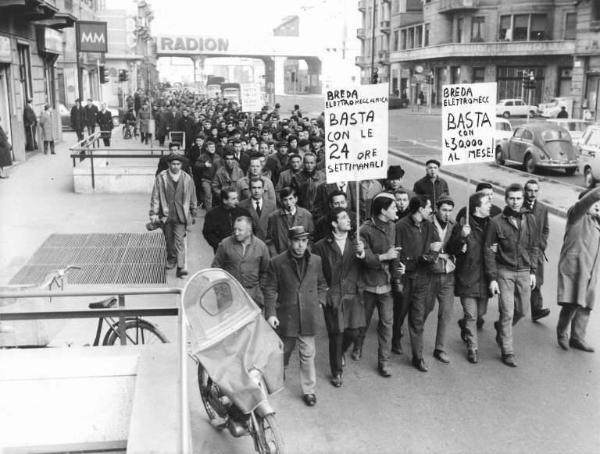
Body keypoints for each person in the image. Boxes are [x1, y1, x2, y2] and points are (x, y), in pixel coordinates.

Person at [263, 226, 327, 407]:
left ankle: (309, 390)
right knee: (283, 354)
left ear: (308, 242)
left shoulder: (316, 261)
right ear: (290, 242)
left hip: (307, 316)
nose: (300, 245)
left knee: (308, 355)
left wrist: (321, 300)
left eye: (304, 241)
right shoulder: (277, 262)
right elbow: (270, 289)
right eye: (297, 241)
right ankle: (277, 380)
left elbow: (322, 283)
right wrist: (271, 313)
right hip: (287, 317)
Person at [485, 183, 539, 367]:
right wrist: (492, 278)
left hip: (524, 271)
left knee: (522, 311)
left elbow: (534, 247)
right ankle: (507, 351)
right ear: (506, 199)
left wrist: (533, 271)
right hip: (504, 271)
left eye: (518, 198)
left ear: (523, 199)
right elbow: (489, 251)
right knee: (507, 311)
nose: (515, 202)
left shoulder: (530, 219)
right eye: (511, 198)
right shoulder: (496, 222)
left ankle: (500, 328)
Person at [313, 207, 366, 388]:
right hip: (333, 295)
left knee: (354, 331)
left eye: (348, 217)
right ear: (334, 223)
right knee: (336, 334)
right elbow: (315, 271)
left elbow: (370, 264)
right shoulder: (321, 246)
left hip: (352, 294)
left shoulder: (357, 243)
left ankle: (341, 352)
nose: (349, 220)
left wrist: (363, 254)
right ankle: (337, 372)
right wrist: (322, 292)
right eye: (343, 218)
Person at [355, 193, 401, 377]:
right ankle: (358, 345)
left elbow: (395, 252)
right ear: (383, 211)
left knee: (387, 323)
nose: (397, 209)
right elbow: (364, 258)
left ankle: (384, 361)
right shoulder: (364, 230)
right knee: (363, 322)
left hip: (387, 284)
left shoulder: (393, 226)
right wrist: (384, 257)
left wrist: (398, 270)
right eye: (393, 207)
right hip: (368, 285)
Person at [395, 195, 441, 372]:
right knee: (399, 313)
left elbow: (436, 245)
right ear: (420, 209)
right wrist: (397, 276)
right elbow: (396, 252)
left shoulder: (429, 226)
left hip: (422, 278)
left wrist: (431, 257)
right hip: (405, 277)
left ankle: (417, 356)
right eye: (429, 207)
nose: (431, 211)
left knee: (417, 318)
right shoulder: (400, 226)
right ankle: (395, 338)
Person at [447, 192, 492, 364]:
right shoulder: (463, 226)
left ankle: (464, 325)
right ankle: (473, 348)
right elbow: (452, 249)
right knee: (472, 315)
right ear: (477, 207)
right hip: (467, 276)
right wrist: (461, 237)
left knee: (480, 313)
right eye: (487, 202)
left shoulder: (491, 225)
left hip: (484, 278)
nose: (490, 204)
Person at [556, 188, 600, 352]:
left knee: (586, 304)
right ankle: (562, 332)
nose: (596, 206)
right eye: (594, 203)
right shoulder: (576, 214)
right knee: (571, 301)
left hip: (591, 268)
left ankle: (577, 338)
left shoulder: (597, 221)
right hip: (575, 266)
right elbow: (589, 199)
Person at [149, 153, 198, 278]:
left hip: (181, 215)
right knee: (169, 240)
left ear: (181, 165)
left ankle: (180, 267)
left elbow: (193, 197)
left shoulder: (187, 179)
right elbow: (155, 197)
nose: (176, 166)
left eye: (178, 164)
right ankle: (171, 259)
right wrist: (154, 213)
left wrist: (193, 212)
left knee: (179, 241)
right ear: (169, 164)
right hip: (166, 215)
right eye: (173, 164)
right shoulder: (162, 177)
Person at [212, 215, 270, 308]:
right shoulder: (225, 244)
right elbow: (215, 269)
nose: (236, 233)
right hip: (229, 296)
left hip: (253, 298)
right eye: (235, 229)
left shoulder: (261, 247)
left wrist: (260, 291)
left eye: (240, 230)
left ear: (249, 231)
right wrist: (221, 293)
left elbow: (266, 272)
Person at [427, 196, 457, 364]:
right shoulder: (427, 223)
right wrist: (437, 254)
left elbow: (458, 247)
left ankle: (440, 347)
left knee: (445, 313)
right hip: (430, 274)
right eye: (444, 210)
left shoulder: (454, 225)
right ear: (437, 209)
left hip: (448, 275)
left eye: (450, 211)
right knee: (425, 309)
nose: (447, 214)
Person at [523, 179, 551, 321]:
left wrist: (542, 244)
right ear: (525, 191)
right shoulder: (518, 205)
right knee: (520, 282)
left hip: (537, 251)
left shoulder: (543, 208)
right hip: (522, 251)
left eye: (535, 190)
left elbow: (545, 229)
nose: (532, 193)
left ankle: (536, 310)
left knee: (537, 281)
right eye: (530, 190)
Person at [266, 186, 314, 256]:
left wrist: (306, 253)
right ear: (281, 201)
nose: (288, 203)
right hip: (281, 258)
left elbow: (311, 239)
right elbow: (269, 241)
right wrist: (275, 257)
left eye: (291, 199)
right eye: (285, 200)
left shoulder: (306, 215)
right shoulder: (273, 217)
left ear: (296, 199)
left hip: (301, 256)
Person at [202, 187, 251, 253]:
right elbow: (208, 233)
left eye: (237, 198)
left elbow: (251, 229)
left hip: (241, 251)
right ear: (225, 200)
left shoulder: (243, 213)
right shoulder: (212, 215)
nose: (237, 201)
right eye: (233, 199)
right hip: (222, 252)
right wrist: (219, 245)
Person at [196, 139, 221, 210]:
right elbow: (196, 165)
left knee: (218, 195)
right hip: (206, 180)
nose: (212, 149)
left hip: (216, 180)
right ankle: (209, 212)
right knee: (208, 196)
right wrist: (204, 165)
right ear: (207, 148)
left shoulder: (217, 157)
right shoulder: (203, 156)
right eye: (210, 147)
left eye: (213, 147)